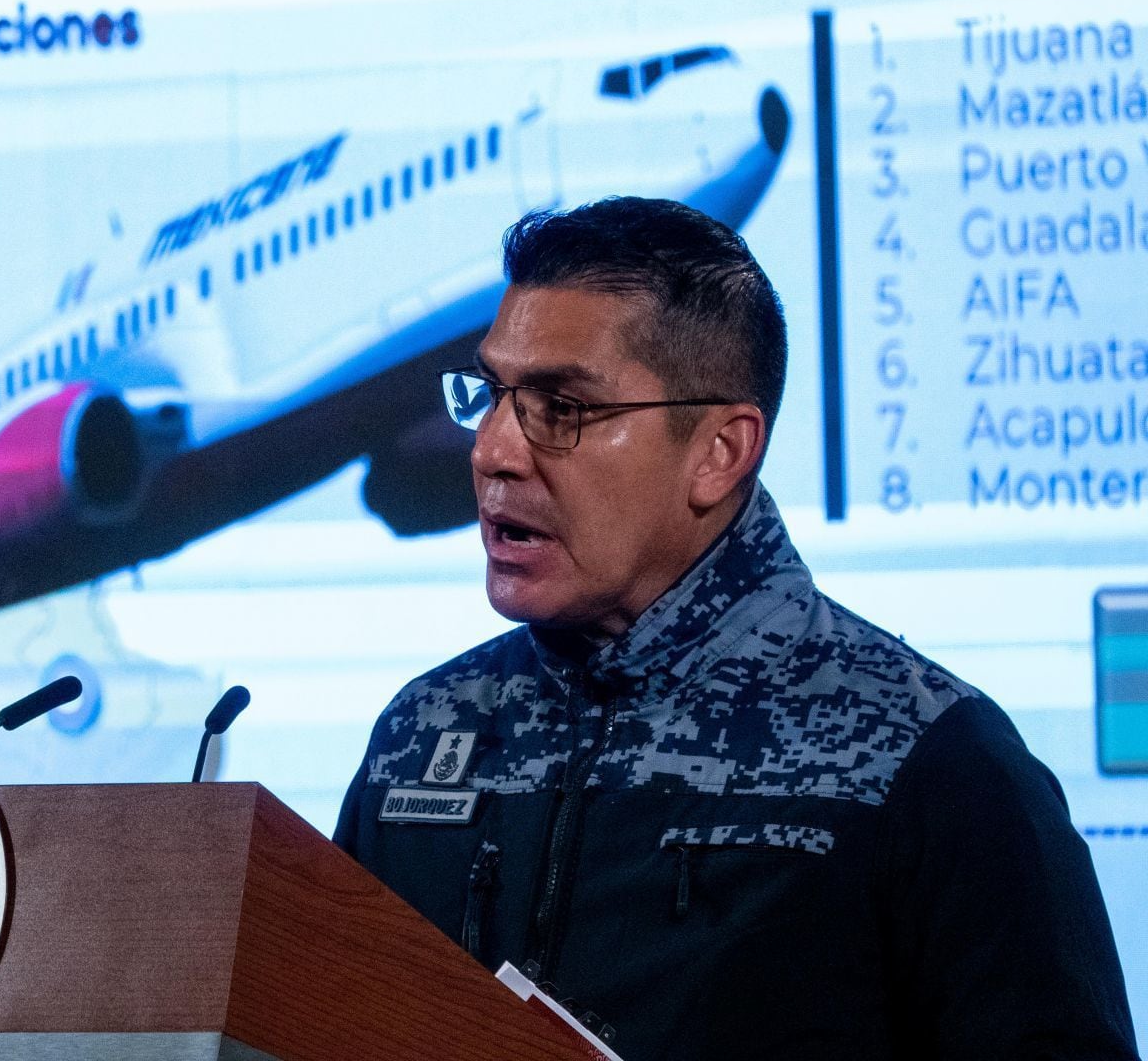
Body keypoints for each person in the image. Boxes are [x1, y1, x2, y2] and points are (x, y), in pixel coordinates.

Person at [333, 196, 1137, 1060]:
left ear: (720, 452)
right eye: (491, 394)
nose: (494, 448)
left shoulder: (931, 759)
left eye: (561, 408)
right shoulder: (423, 733)